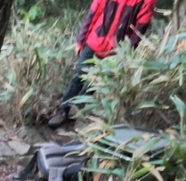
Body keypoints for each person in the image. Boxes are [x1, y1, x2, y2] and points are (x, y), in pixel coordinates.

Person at [48, 0, 156, 129]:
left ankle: (76, 113)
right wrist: (80, 41)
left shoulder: (147, 1)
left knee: (96, 83)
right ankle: (62, 111)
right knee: (79, 76)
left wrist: (125, 54)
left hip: (116, 52)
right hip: (94, 43)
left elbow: (139, 30)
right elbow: (92, 14)